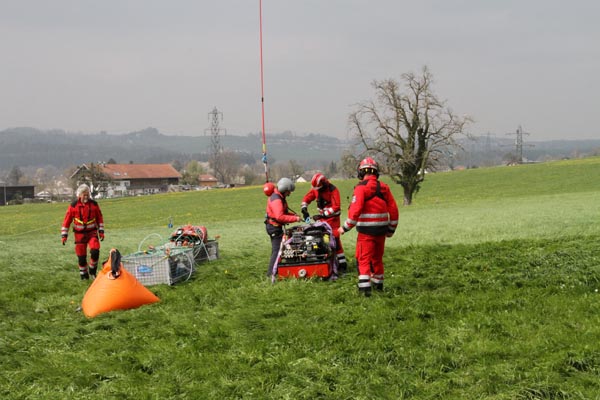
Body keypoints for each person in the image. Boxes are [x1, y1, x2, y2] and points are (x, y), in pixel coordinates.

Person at [338, 157, 399, 297]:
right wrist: (391, 230)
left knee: (363, 259)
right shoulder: (384, 188)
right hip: (382, 231)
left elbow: (355, 211)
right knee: (377, 259)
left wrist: (344, 228)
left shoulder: (360, 188)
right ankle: (378, 287)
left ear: (361, 172)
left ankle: (365, 292)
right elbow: (394, 210)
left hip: (366, 233)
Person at [301, 172, 348, 274]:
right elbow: (307, 197)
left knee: (335, 239)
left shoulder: (333, 190)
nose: (316, 190)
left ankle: (342, 263)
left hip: (333, 219)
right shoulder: (317, 188)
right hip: (323, 220)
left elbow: (336, 207)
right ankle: (324, 260)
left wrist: (323, 215)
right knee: (322, 239)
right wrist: (304, 208)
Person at [61, 184, 105, 280]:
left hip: (92, 233)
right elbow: (67, 221)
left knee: (95, 251)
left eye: (87, 195)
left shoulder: (94, 204)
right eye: (84, 195)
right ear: (79, 195)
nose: (86, 197)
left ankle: (92, 270)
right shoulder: (73, 206)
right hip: (79, 235)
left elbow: (99, 218)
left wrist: (101, 231)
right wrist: (64, 235)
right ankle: (84, 276)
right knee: (81, 258)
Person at [265, 177, 301, 277]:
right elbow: (279, 216)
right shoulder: (277, 199)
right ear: (284, 190)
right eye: (288, 192)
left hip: (275, 226)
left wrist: (293, 216)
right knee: (277, 250)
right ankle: (271, 274)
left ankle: (279, 270)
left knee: (281, 248)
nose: (289, 194)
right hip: (274, 227)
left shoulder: (279, 196)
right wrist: (295, 219)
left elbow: (283, 212)